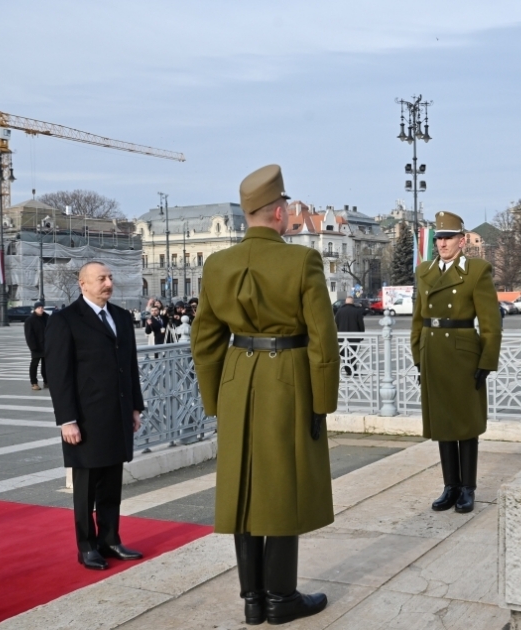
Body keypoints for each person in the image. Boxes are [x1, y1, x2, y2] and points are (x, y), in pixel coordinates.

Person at [192, 164, 339, 626]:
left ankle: (252, 598)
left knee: (242, 488)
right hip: (288, 378)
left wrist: (217, 399)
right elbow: (322, 338)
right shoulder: (301, 261)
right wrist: (323, 402)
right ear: (279, 213)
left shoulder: (218, 264)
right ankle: (281, 597)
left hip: (237, 380)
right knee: (281, 486)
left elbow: (205, 339)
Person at [45, 261, 145, 571]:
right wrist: (67, 420)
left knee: (112, 483)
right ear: (83, 284)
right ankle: (86, 546)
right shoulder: (65, 320)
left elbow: (129, 366)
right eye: (101, 278)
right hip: (85, 419)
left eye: (110, 277)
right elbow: (58, 374)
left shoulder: (121, 317)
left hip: (116, 415)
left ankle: (110, 539)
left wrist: (134, 407)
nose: (108, 283)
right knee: (86, 486)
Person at [411, 211, 502, 515]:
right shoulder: (425, 271)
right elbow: (417, 318)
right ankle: (450, 485)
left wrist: (487, 361)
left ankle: (468, 488)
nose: (442, 243)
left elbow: (490, 323)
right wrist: (417, 356)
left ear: (462, 240)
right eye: (438, 237)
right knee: (443, 423)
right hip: (432, 352)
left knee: (465, 424)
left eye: (448, 237)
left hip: (463, 354)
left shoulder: (476, 271)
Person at [335, 296, 365, 378]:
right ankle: (353, 370)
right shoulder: (357, 311)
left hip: (341, 337)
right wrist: (362, 335)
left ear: (345, 302)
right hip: (354, 337)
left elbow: (335, 323)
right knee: (353, 354)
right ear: (353, 303)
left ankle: (347, 369)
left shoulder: (339, 311)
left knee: (344, 354)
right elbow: (361, 324)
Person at [24, 301, 49, 391]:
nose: (41, 309)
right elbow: (29, 335)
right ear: (35, 309)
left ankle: (47, 381)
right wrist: (33, 347)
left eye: (42, 307)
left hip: (46, 345)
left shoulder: (47, 318)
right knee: (34, 365)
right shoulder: (30, 320)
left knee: (46, 365)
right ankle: (34, 383)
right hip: (36, 347)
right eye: (39, 308)